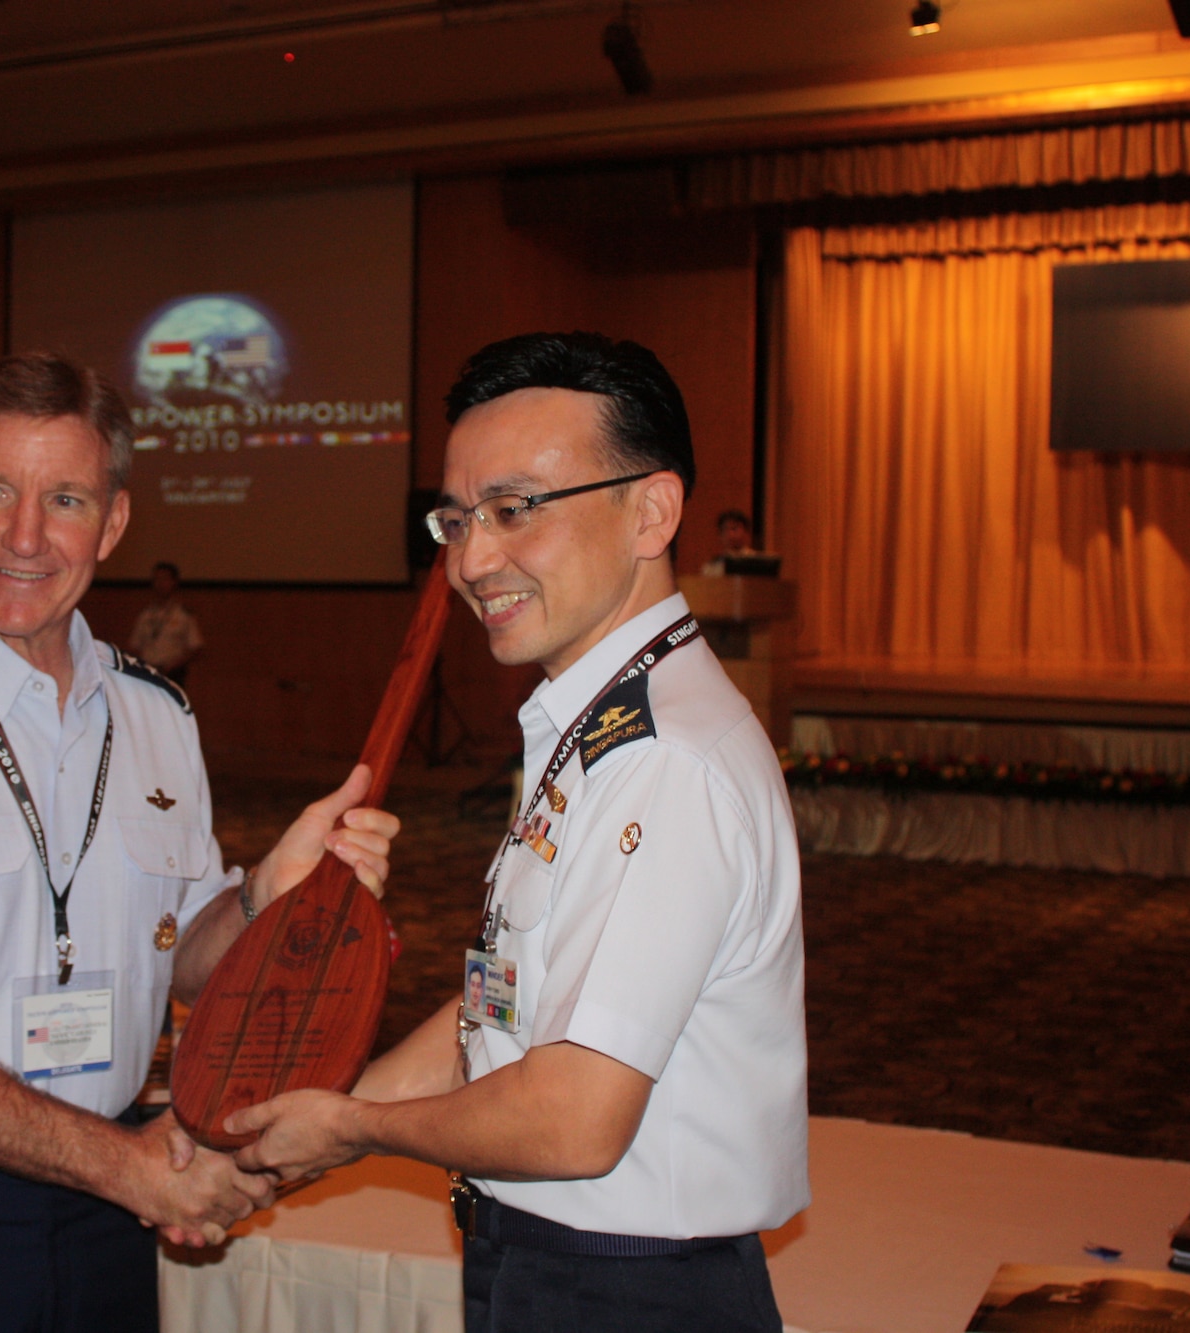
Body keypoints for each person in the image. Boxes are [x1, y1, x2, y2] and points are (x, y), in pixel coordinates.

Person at [0, 352, 401, 1333]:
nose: (23, 535)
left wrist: (270, 892)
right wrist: (128, 1169)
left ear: (112, 521)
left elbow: (190, 958)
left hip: (105, 1214)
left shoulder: (154, 715)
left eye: (63, 498)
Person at [226, 332, 808, 1332]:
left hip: (625, 1290)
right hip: (551, 1266)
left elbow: (572, 1116)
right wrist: (305, 1128)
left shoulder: (658, 759)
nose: (468, 561)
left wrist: (352, 1125)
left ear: (650, 511)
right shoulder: (593, 724)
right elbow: (500, 1010)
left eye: (513, 509)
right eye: (454, 518)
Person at [127, 560, 203, 685]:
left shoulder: (183, 615)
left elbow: (195, 646)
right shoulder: (145, 615)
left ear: (174, 582)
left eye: (165, 579)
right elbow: (134, 645)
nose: (160, 584)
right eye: (157, 579)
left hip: (173, 673)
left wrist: (174, 664)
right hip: (148, 672)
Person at [700, 507, 757, 575]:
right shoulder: (712, 567)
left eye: (734, 529)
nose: (730, 534)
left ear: (746, 532)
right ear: (720, 535)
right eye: (725, 530)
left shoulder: (757, 563)